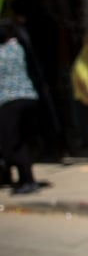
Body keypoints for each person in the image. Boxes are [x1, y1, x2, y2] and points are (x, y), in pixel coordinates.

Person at [0, 18, 46, 194]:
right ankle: (26, 179)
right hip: (29, 98)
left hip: (9, 102)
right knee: (23, 142)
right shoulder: (19, 47)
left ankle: (27, 180)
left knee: (12, 144)